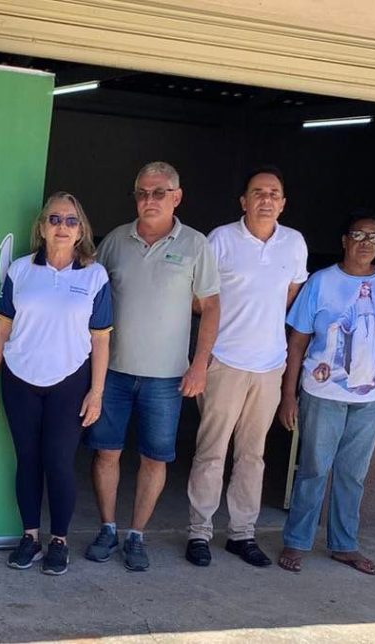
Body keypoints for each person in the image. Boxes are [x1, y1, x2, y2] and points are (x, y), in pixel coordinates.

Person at [84, 161, 220, 571]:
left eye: (159, 192)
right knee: (106, 453)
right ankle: (108, 528)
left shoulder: (196, 244)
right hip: (113, 372)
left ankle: (137, 535)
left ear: (177, 197)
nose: (149, 200)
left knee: (154, 458)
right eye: (142, 192)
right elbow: (91, 298)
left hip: (167, 378)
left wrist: (199, 365)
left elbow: (211, 307)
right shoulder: (114, 243)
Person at [0, 192, 112, 576]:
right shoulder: (20, 270)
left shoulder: (94, 275)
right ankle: (30, 538)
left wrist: (97, 391)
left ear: (81, 229)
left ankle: (59, 541)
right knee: (28, 460)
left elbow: (101, 338)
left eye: (71, 220)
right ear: (41, 227)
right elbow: (2, 326)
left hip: (69, 382)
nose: (62, 227)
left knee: (57, 461)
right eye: (54, 219)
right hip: (19, 378)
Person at [277, 210, 375, 576]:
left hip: (372, 399)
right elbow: (297, 342)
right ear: (344, 240)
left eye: (374, 237)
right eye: (358, 235)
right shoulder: (321, 282)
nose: (366, 243)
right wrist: (288, 395)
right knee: (313, 469)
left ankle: (344, 545)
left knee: (353, 474)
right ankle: (297, 541)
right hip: (323, 394)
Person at [184, 166, 308, 568]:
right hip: (224, 362)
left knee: (253, 456)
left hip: (269, 365)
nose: (266, 199)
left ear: (283, 202)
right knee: (211, 453)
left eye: (274, 193)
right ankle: (199, 533)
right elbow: (196, 298)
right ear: (244, 201)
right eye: (258, 192)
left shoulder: (294, 244)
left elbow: (290, 295)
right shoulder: (220, 240)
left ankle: (241, 534)